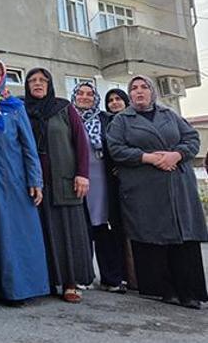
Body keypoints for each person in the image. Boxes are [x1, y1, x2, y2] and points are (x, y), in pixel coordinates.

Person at [106, 75, 208, 309]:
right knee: (155, 235)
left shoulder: (169, 114)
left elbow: (192, 138)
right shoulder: (122, 121)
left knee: (184, 237)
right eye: (134, 88)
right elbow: (116, 149)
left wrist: (176, 155)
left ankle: (190, 292)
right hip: (146, 188)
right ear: (130, 95)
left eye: (144, 87)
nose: (139, 91)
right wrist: (148, 157)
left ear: (152, 92)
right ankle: (165, 290)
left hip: (177, 185)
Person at [0, 58, 49, 304]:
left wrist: (35, 179)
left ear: (3, 77)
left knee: (11, 233)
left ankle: (16, 290)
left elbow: (28, 145)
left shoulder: (15, 107)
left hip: (10, 180)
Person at [24, 68, 94, 303]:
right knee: (41, 232)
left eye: (42, 80)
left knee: (68, 232)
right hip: (35, 182)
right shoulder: (23, 110)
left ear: (49, 84)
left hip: (64, 179)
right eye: (32, 80)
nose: (37, 84)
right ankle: (46, 281)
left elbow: (81, 142)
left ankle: (71, 283)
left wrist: (82, 174)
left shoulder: (64, 107)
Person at [71, 82, 127, 293]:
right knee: (81, 229)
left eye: (90, 94)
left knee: (103, 226)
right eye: (81, 93)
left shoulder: (105, 118)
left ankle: (111, 278)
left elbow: (115, 144)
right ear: (74, 96)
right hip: (76, 178)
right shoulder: (68, 117)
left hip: (102, 180)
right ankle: (83, 276)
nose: (85, 97)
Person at [104, 88, 139, 289]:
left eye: (118, 99)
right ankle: (126, 275)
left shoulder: (134, 121)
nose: (115, 103)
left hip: (137, 180)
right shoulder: (106, 123)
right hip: (115, 182)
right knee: (118, 229)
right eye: (111, 100)